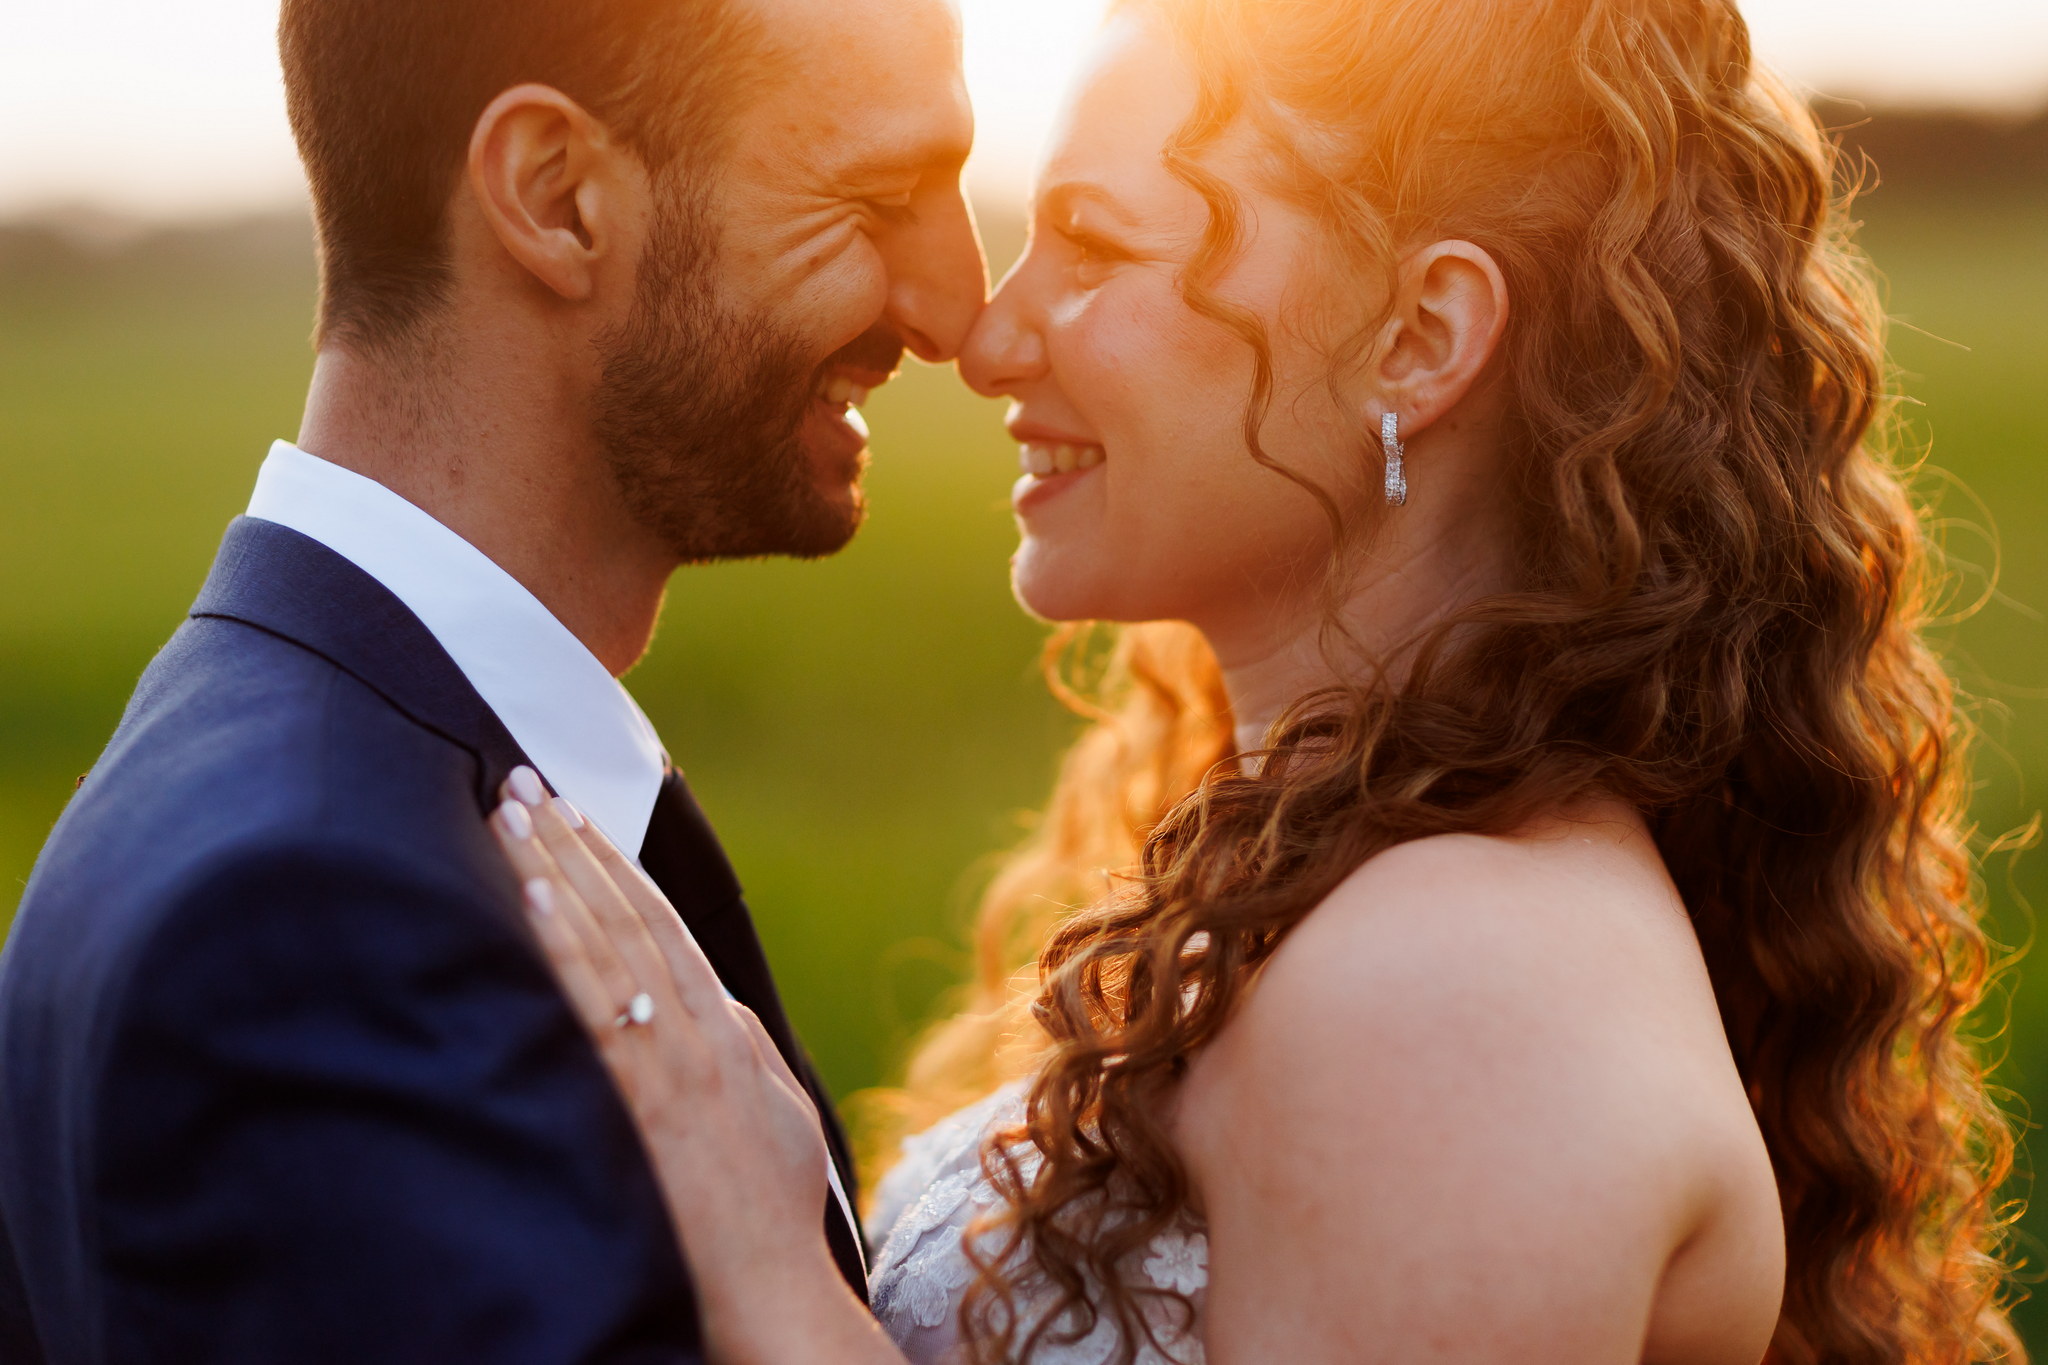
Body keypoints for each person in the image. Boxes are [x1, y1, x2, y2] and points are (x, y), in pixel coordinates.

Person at [494, 0, 2025, 1361]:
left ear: (1421, 337)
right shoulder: (1371, 880)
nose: (991, 330)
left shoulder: (1456, 983)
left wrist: (777, 1285)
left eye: (1095, 245)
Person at [0, 0, 984, 1358]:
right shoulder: (303, 930)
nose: (957, 307)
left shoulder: (315, 782)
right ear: (558, 196)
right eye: (878, 196)